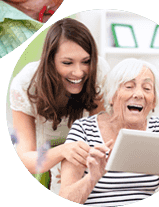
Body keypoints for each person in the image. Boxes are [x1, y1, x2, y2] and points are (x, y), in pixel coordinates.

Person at [59, 58, 159, 205]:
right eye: (129, 86)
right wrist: (92, 178)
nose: (139, 94)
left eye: (147, 88)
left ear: (153, 101)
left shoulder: (158, 129)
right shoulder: (84, 129)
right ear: (111, 96)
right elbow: (66, 196)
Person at [9, 18, 109, 194]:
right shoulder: (24, 85)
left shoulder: (98, 72)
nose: (78, 72)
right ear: (50, 61)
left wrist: (78, 169)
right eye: (67, 63)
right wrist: (64, 151)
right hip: (43, 162)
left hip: (84, 162)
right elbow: (25, 158)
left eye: (85, 61)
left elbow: (100, 136)